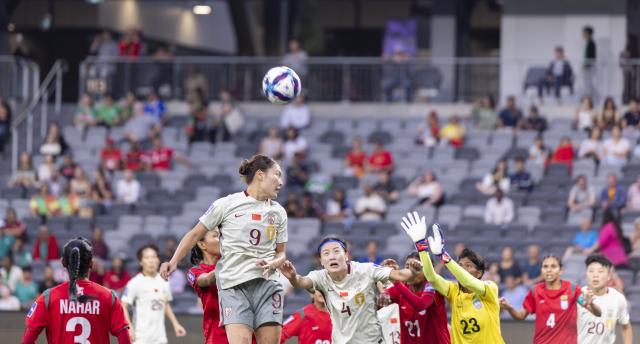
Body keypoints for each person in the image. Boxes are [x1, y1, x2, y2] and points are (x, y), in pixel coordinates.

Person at [160, 154, 287, 344]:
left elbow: (281, 253)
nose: (281, 182)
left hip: (267, 284)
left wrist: (274, 262)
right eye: (277, 175)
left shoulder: (278, 212)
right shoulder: (226, 204)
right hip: (234, 286)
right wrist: (174, 261)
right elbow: (194, 234)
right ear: (260, 175)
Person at [280, 235, 421, 343]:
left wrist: (413, 272)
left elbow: (400, 275)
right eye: (326, 253)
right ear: (322, 261)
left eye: (336, 251)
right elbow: (301, 282)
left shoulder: (366, 270)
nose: (332, 256)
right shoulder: (320, 277)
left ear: (346, 255)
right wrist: (292, 276)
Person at [400, 214, 505, 343]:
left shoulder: (490, 288)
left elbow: (468, 281)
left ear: (479, 273)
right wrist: (421, 245)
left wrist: (443, 256)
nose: (462, 269)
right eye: (460, 265)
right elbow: (431, 277)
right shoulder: (453, 290)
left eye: (468, 265)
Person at [21, 237, 131, 344]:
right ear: (91, 263)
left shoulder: (48, 297)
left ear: (63, 263)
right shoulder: (109, 296)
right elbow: (125, 339)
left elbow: (27, 340)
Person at [500, 254, 600, 344]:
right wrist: (510, 308)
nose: (549, 270)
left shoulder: (572, 289)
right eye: (545, 266)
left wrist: (591, 304)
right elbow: (520, 316)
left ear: (561, 270)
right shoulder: (535, 291)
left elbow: (597, 313)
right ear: (542, 270)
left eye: (553, 266)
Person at [381, 252, 451, 344]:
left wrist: (396, 281)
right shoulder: (401, 287)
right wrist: (381, 275)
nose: (411, 272)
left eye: (416, 268)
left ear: (428, 270)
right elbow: (379, 301)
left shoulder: (433, 285)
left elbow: (421, 305)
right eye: (407, 267)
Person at [122, 244, 186, 343]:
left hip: (160, 339)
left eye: (153, 257)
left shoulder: (164, 281)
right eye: (147, 257)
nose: (151, 260)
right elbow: (123, 306)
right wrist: (129, 327)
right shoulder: (134, 283)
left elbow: (165, 303)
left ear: (158, 260)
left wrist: (176, 324)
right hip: (141, 339)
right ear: (141, 261)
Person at [578, 254, 633, 344]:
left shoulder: (618, 298)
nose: (595, 275)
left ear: (608, 276)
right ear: (586, 275)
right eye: (591, 271)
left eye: (600, 271)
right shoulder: (578, 296)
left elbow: (626, 327)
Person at [187, 227, 228, 344]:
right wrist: (230, 262)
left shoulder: (230, 264)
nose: (222, 239)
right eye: (216, 236)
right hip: (217, 336)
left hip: (245, 332)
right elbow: (206, 280)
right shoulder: (194, 271)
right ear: (201, 244)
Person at [582, 26, 597, 100]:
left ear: (588, 33)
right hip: (587, 66)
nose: (582, 34)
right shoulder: (588, 42)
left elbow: (592, 57)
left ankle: (590, 98)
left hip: (589, 67)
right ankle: (588, 97)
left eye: (584, 33)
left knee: (588, 84)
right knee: (587, 83)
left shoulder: (591, 43)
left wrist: (586, 65)